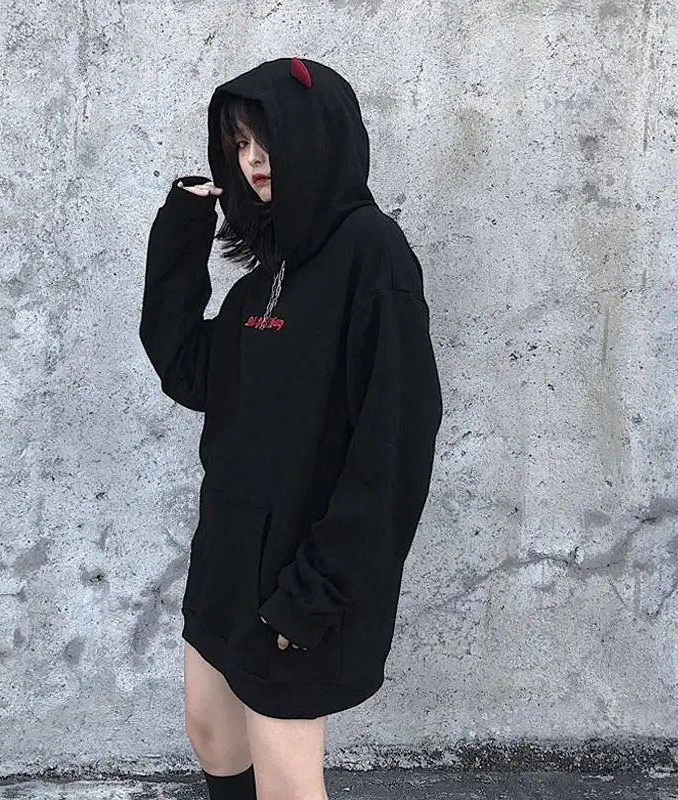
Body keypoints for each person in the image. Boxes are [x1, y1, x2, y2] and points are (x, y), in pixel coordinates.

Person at [140, 57, 442, 800]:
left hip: (303, 579)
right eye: (240, 143)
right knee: (211, 735)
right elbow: (190, 372)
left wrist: (318, 589)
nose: (253, 158)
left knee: (286, 782)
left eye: (267, 137)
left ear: (318, 134)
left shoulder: (373, 254)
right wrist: (183, 229)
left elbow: (395, 445)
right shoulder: (264, 279)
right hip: (229, 561)